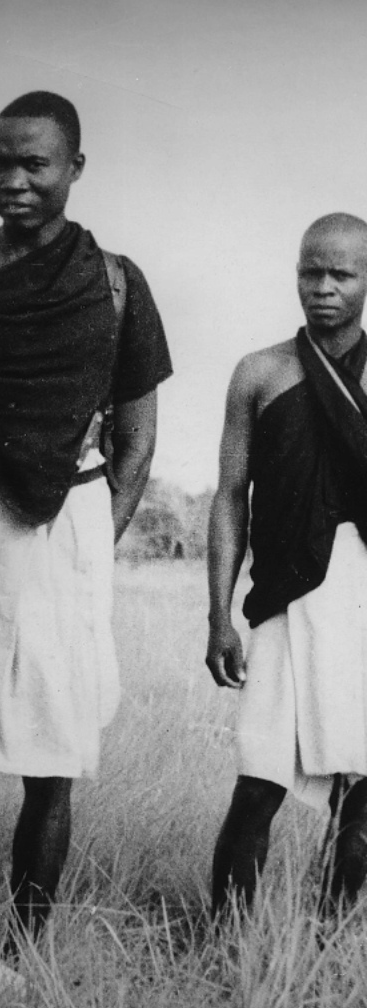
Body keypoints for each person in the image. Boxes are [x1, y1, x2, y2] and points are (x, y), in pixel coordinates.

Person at [0, 92, 172, 940]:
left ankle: (24, 957)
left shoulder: (116, 282)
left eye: (34, 164)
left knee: (54, 760)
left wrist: (91, 543)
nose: (13, 180)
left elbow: (136, 441)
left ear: (75, 169)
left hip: (71, 526)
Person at [207, 214, 367, 919]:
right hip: (282, 595)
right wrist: (218, 615)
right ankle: (225, 946)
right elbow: (228, 497)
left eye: (342, 274)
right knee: (257, 782)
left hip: (361, 597)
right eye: (311, 271)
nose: (323, 287)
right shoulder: (261, 372)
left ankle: (328, 946)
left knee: (362, 792)